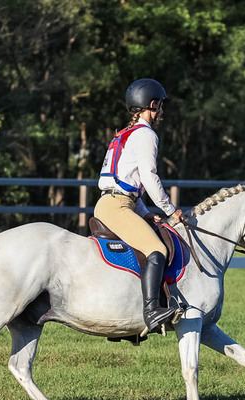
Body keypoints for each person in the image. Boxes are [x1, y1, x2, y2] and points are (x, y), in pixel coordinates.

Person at [95, 78, 183, 332]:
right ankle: (152, 311)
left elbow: (125, 182)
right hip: (118, 206)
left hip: (113, 202)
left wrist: (145, 214)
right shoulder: (145, 134)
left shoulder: (124, 134)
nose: (162, 112)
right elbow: (149, 178)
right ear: (152, 104)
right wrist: (169, 210)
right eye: (161, 106)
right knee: (158, 250)